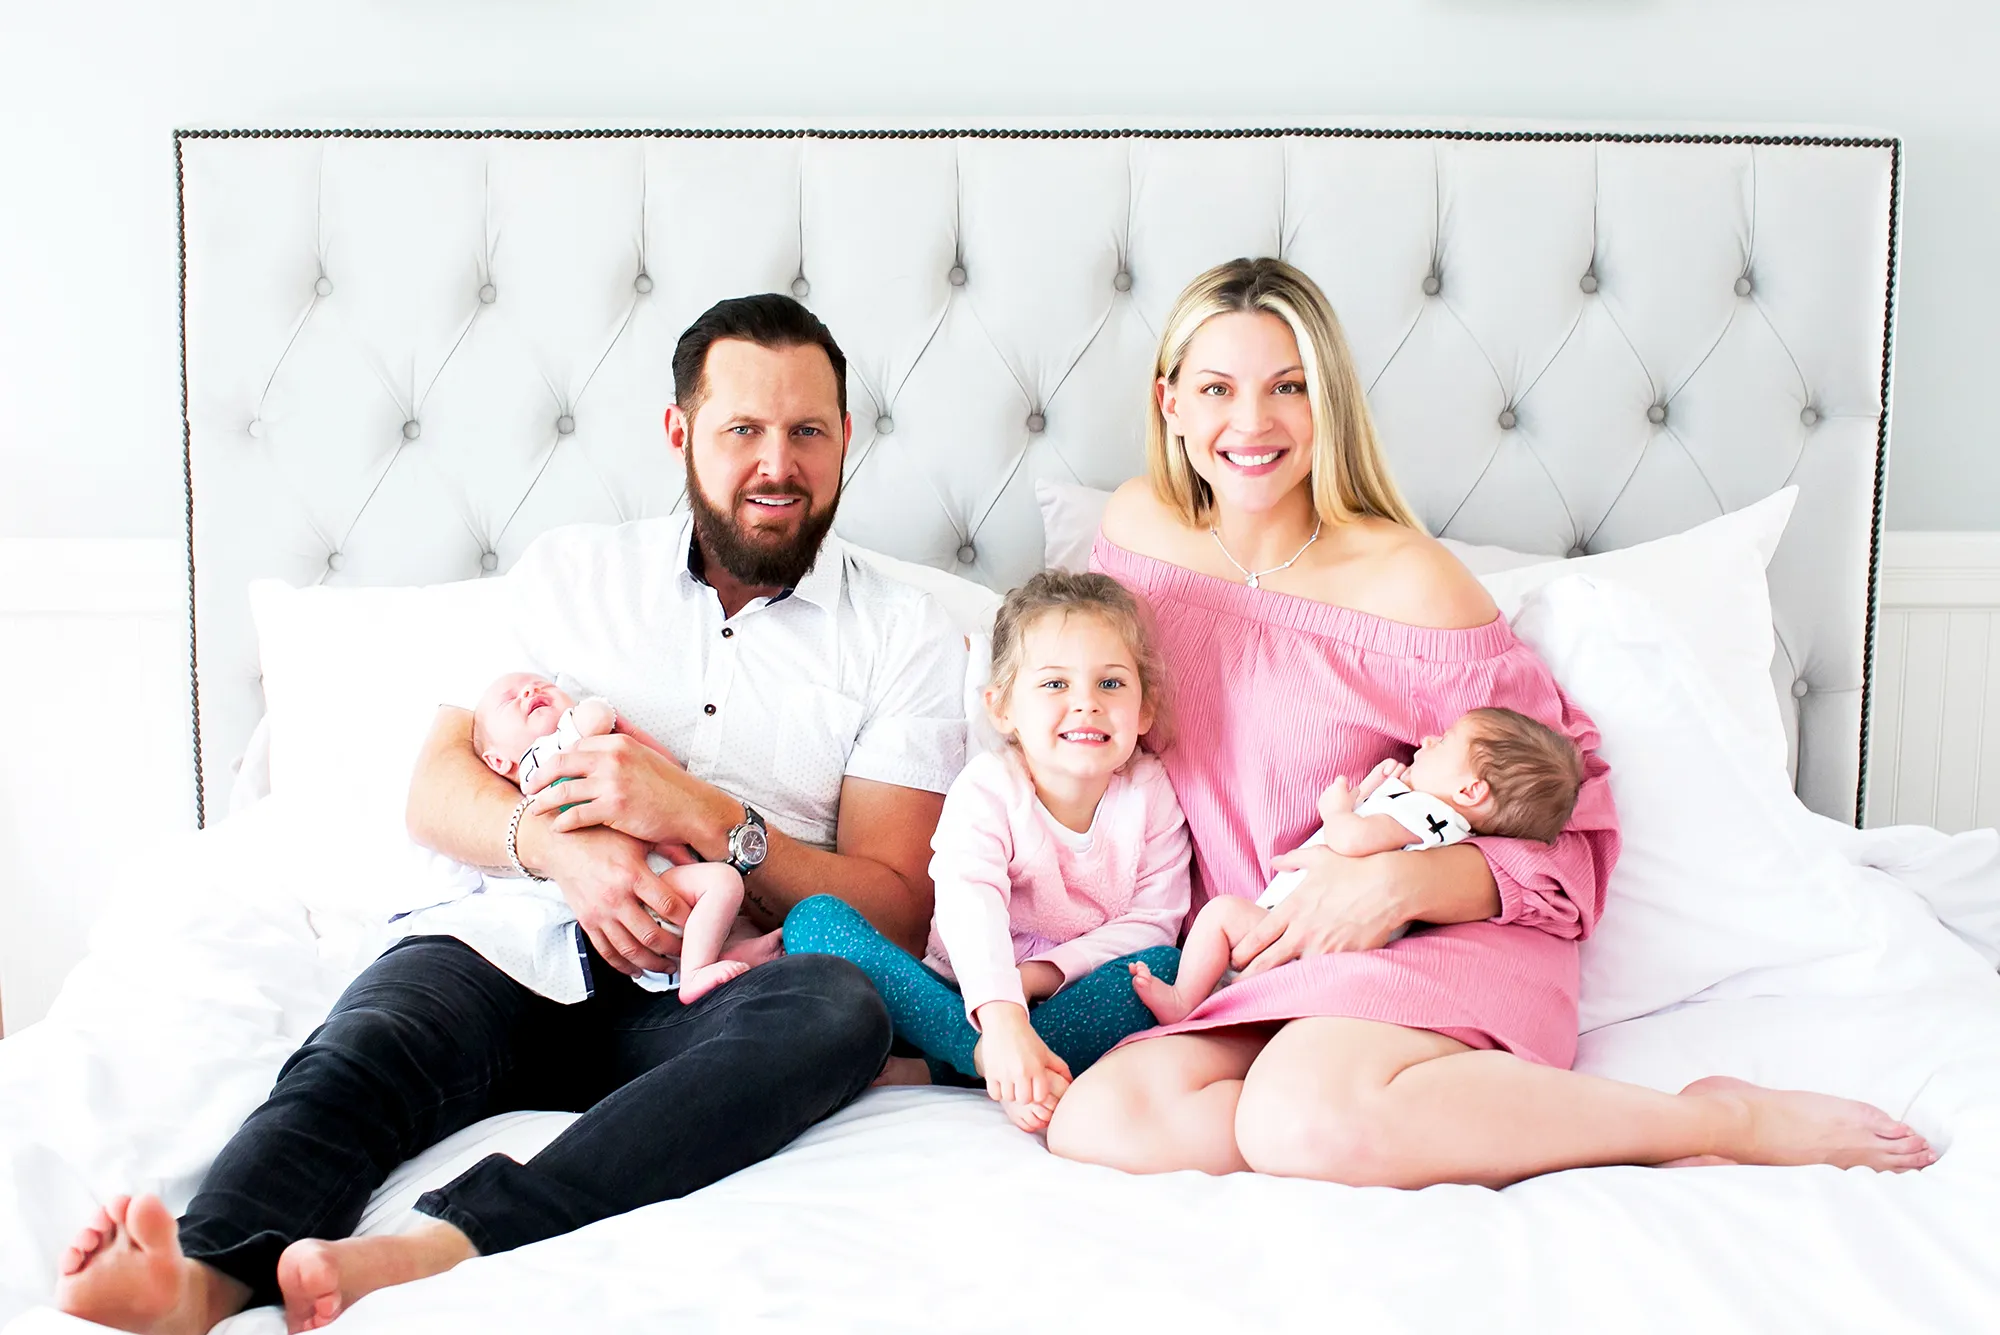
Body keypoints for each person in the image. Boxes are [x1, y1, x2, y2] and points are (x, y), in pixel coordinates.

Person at [54, 293, 967, 1333]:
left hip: (709, 992)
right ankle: (202, 1279)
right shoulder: (576, 575)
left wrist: (712, 818)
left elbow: (892, 914)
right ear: (679, 434)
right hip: (514, 950)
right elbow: (436, 784)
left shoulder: (905, 640)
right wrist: (554, 854)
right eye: (741, 430)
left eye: (807, 431)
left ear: (846, 437)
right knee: (371, 1039)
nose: (776, 463)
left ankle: (443, 1244)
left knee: (839, 1010)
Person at [1045, 256, 1938, 1185]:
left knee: (1299, 1119)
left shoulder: (1409, 583)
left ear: (1330, 404)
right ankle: (1380, 1103)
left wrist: (1395, 888)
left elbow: (1562, 800)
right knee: (1105, 1119)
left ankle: (1709, 1116)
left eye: (1289, 386)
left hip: (1427, 933)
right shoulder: (1138, 534)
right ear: (1169, 403)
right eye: (1217, 388)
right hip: (1263, 945)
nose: (1253, 421)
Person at [785, 570, 1189, 1132]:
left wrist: (1037, 978)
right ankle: (975, 1057)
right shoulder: (988, 787)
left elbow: (1155, 922)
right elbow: (968, 900)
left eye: (1112, 684)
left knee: (1160, 972)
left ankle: (956, 1069)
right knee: (814, 920)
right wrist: (998, 1017)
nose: (1086, 705)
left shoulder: (1150, 794)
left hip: (1064, 997)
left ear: (1144, 709)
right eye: (1054, 685)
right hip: (956, 994)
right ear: (1002, 710)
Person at [1131, 707, 1584, 1026]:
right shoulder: (1435, 822)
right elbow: (1378, 825)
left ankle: (1183, 998)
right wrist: (1376, 785)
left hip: (1299, 933)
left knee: (1221, 913)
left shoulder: (1427, 814)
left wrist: (1336, 809)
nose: (1427, 740)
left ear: (1470, 792)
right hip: (1323, 947)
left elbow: (1353, 839)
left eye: (1444, 742)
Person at [466, 670, 779, 1001]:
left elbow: (671, 774)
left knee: (733, 911)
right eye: (510, 700)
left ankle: (732, 953)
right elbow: (592, 719)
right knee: (723, 883)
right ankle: (695, 973)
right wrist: (589, 715)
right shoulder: (537, 763)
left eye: (542, 686)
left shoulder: (597, 746)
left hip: (664, 884)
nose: (529, 691)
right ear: (499, 761)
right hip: (638, 894)